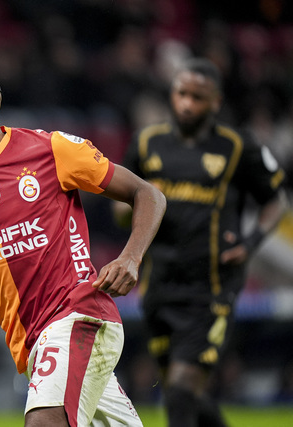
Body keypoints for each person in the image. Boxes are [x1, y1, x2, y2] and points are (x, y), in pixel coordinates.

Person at [0, 63, 166, 426]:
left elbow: (148, 194)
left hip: (78, 314)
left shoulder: (52, 149)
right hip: (31, 343)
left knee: (43, 422)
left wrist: (130, 258)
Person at [114, 58, 288, 426]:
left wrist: (250, 243)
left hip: (211, 286)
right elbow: (120, 207)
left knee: (180, 391)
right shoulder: (146, 142)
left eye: (197, 97)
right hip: (160, 284)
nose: (187, 104)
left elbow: (276, 199)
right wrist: (136, 206)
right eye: (181, 94)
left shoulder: (237, 146)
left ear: (215, 102)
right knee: (182, 395)